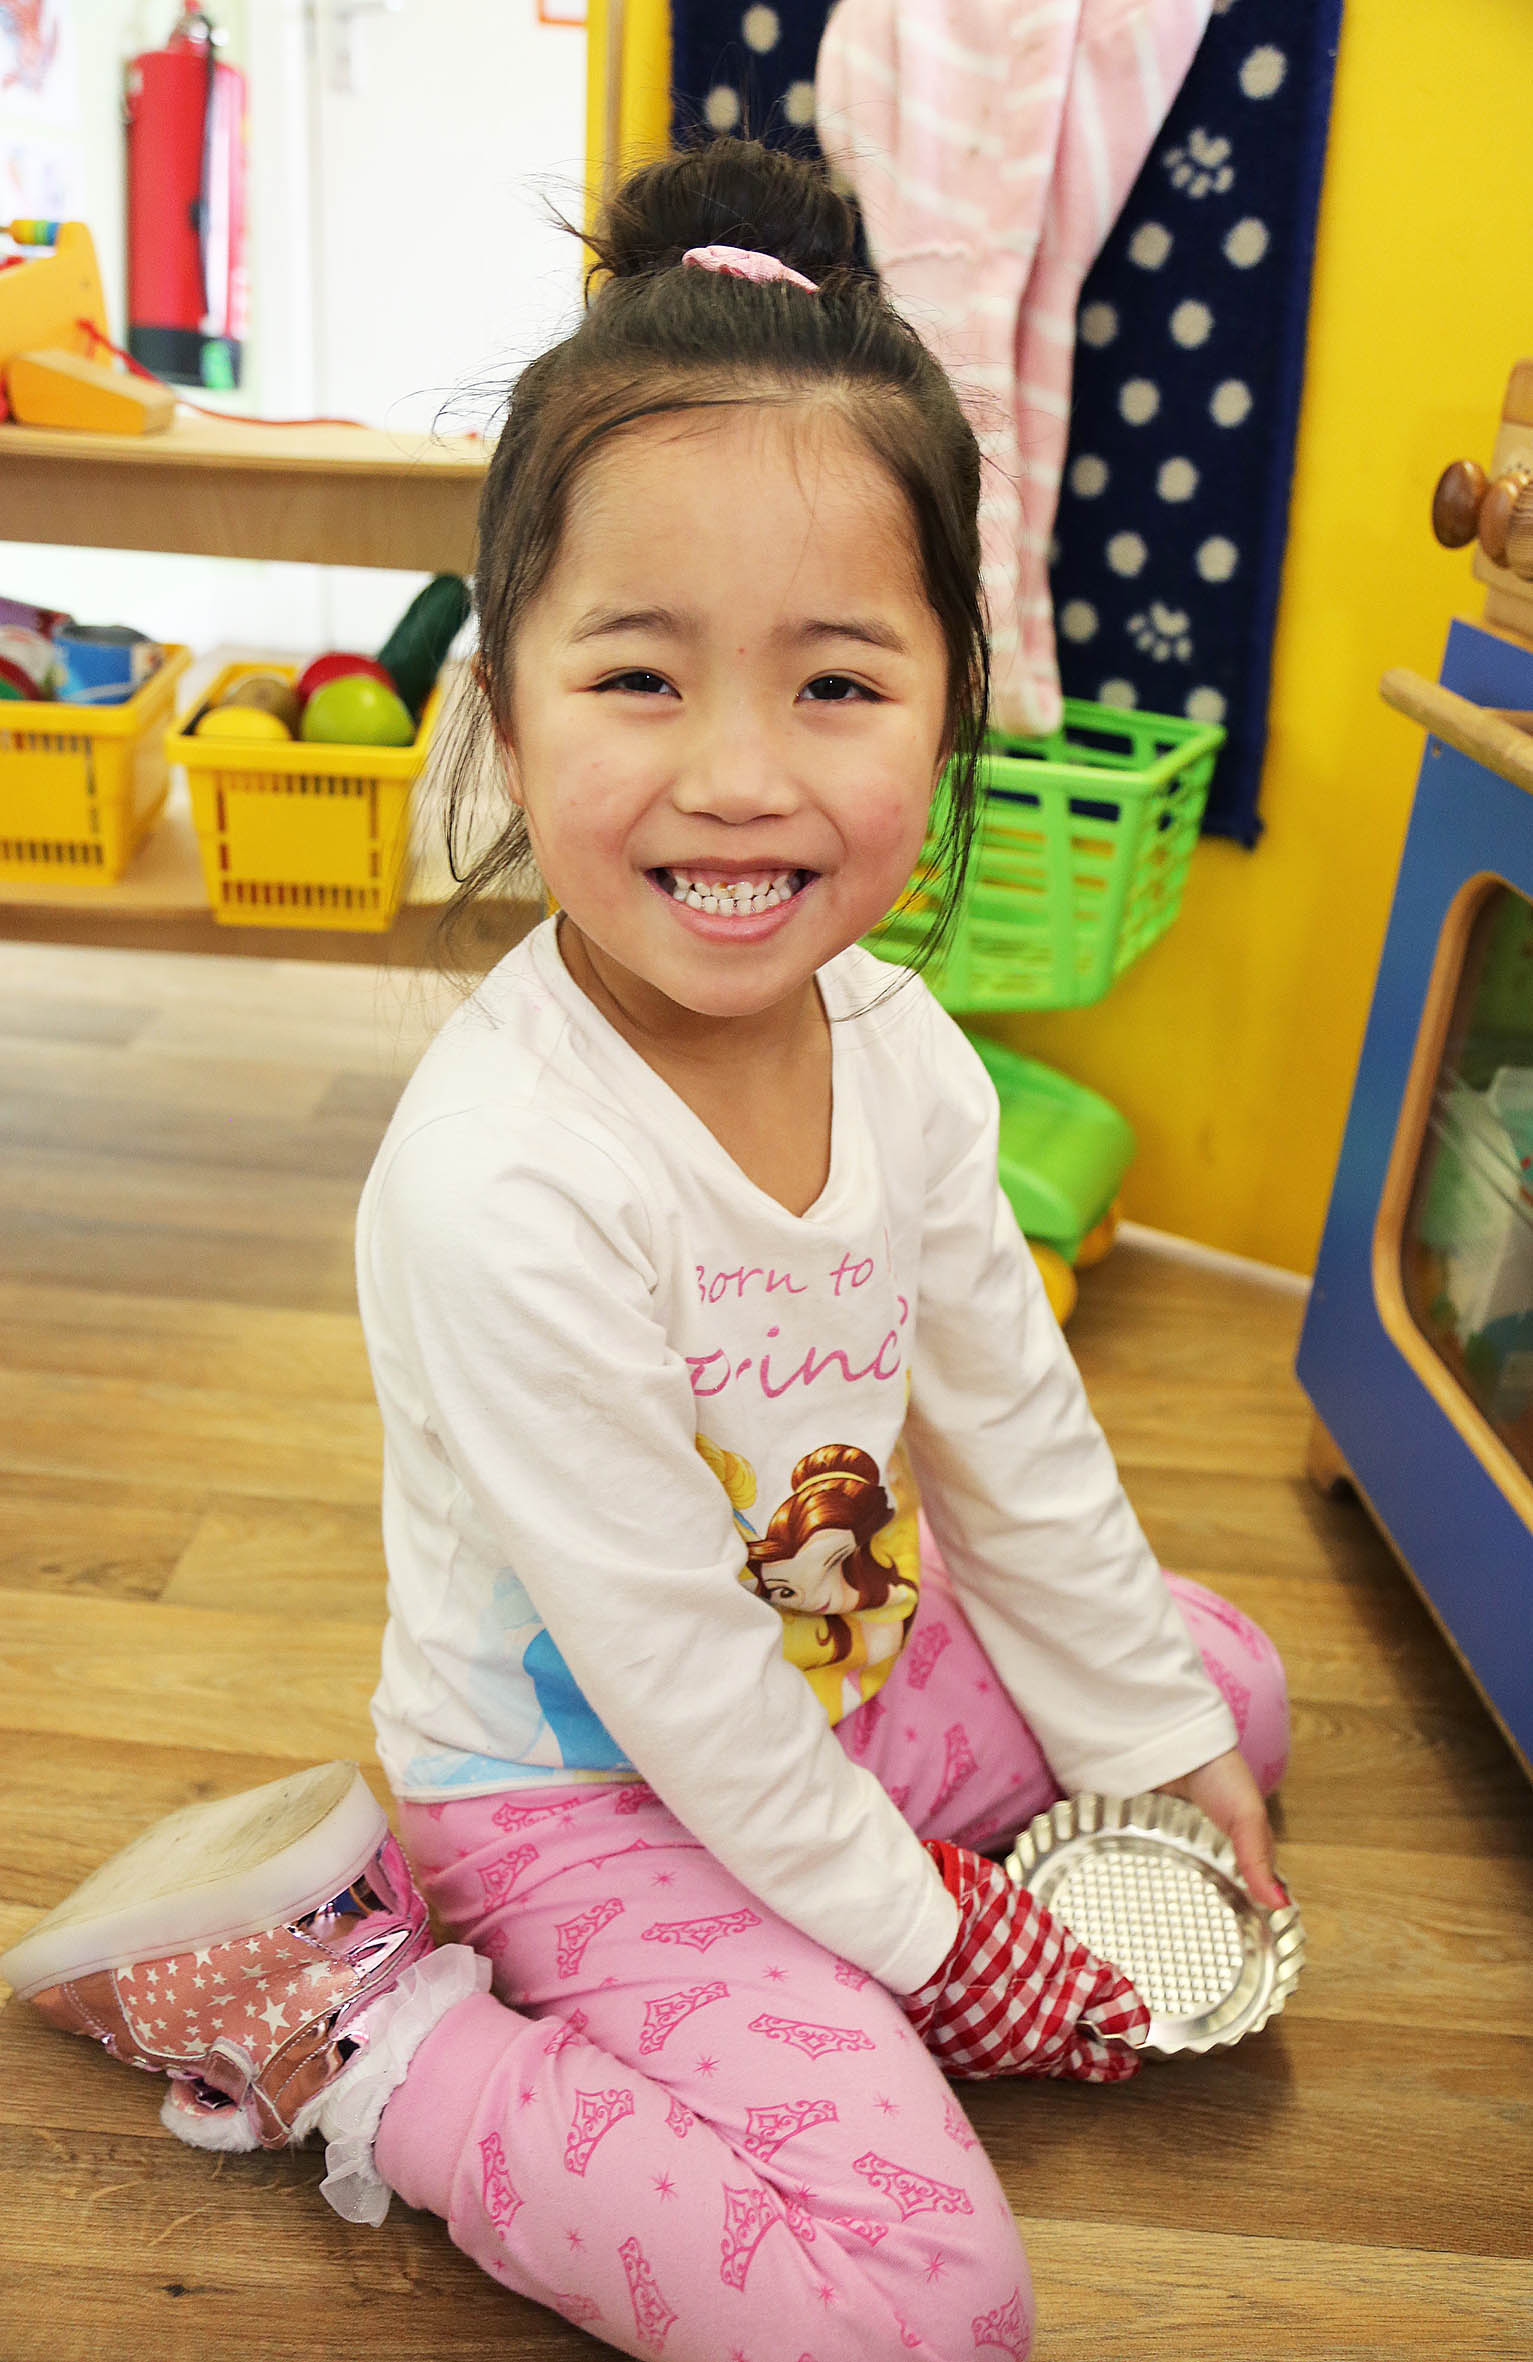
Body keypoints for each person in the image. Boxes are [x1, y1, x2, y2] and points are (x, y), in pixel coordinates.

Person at [2, 139, 1290, 2362]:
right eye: (635, 680)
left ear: (944, 706)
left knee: (1218, 1685)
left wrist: (1163, 1747)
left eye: (830, 684)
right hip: (593, 1792)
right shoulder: (500, 1179)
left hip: (836, 1685)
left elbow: (1013, 1433)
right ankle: (364, 2024)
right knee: (915, 2299)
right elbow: (682, 1693)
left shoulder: (904, 1055)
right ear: (503, 704)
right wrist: (940, 1939)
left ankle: (855, 1925)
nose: (733, 779)